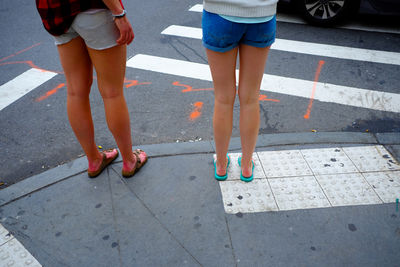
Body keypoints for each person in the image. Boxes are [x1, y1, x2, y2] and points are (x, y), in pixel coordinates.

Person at [35, 0, 147, 178]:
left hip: (54, 14)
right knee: (112, 93)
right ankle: (129, 160)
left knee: (75, 91)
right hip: (92, 9)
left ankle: (94, 160)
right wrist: (119, 13)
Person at [202, 0, 277, 182]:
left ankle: (221, 165)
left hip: (220, 13)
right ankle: (246, 165)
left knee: (223, 98)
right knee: (251, 98)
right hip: (262, 14)